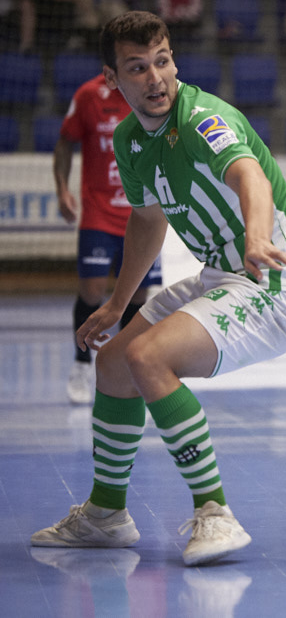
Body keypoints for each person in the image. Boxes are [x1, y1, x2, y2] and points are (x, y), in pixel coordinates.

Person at [30, 11, 286, 566]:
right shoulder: (132, 139)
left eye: (162, 61)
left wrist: (256, 237)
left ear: (174, 60)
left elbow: (249, 176)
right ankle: (107, 515)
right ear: (112, 79)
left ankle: (216, 514)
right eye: (138, 68)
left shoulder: (205, 120)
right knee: (113, 362)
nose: (155, 78)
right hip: (221, 278)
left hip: (272, 282)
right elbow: (148, 219)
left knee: (148, 357)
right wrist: (116, 301)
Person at [53, 69, 162, 405]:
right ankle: (82, 364)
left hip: (142, 213)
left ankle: (128, 366)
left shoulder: (149, 92)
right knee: (93, 291)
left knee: (138, 294)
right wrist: (61, 191)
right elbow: (65, 141)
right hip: (99, 213)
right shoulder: (88, 95)